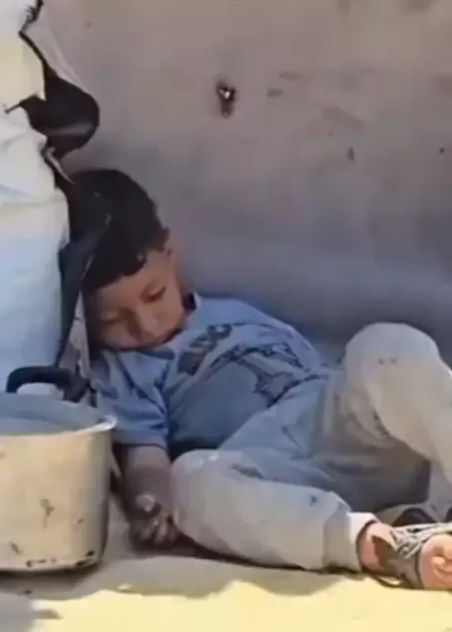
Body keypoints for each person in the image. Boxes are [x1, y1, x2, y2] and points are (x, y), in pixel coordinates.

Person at [76, 167, 452, 590]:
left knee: (386, 345)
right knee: (191, 482)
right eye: (113, 320)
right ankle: (386, 545)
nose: (146, 325)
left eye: (154, 294)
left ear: (171, 252)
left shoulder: (235, 311)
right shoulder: (123, 370)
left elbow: (342, 381)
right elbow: (146, 458)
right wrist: (152, 501)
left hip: (335, 421)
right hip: (273, 469)